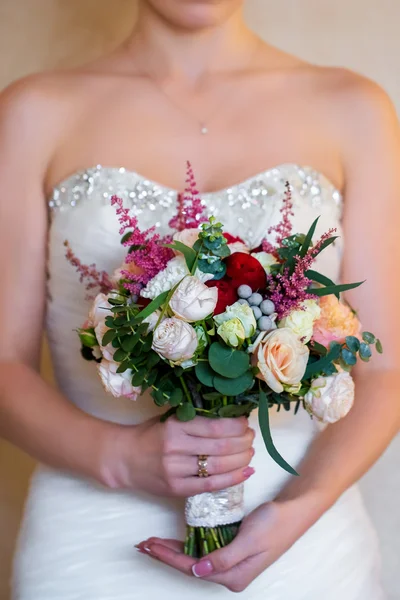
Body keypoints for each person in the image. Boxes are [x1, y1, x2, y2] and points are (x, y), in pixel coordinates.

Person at [0, 0, 399, 598]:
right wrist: (118, 457)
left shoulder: (355, 109)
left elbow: (385, 369)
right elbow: (3, 366)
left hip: (304, 543)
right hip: (89, 542)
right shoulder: (32, 111)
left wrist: (300, 506)